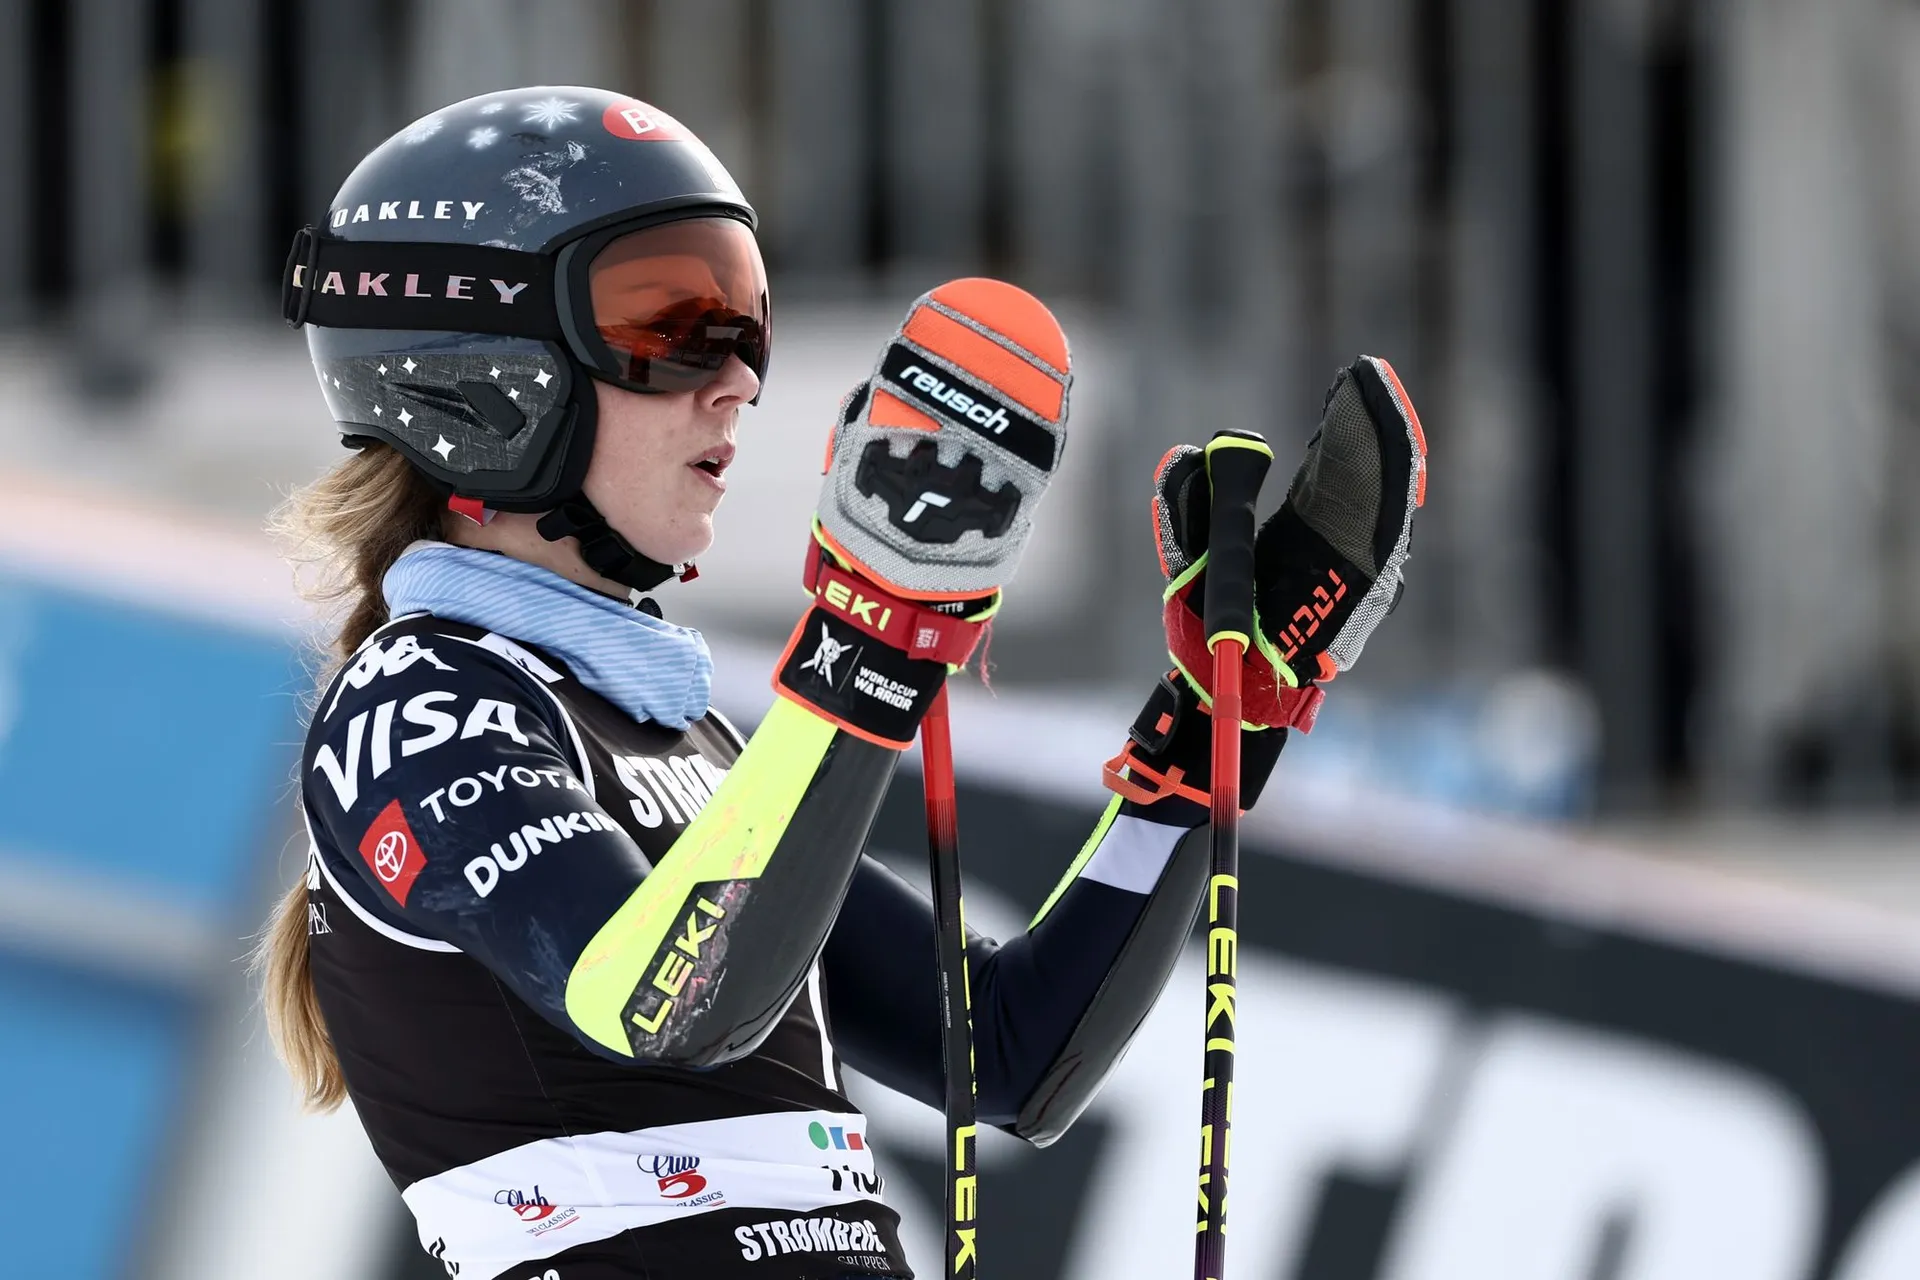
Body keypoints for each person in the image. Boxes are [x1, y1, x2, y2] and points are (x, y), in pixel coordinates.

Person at [257, 85, 1425, 1280]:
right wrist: (868, 646)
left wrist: (1213, 726)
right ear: (482, 374)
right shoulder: (415, 706)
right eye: (671, 321)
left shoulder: (682, 741)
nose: (737, 378)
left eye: (745, 321)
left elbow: (1012, 1055)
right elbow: (659, 1004)